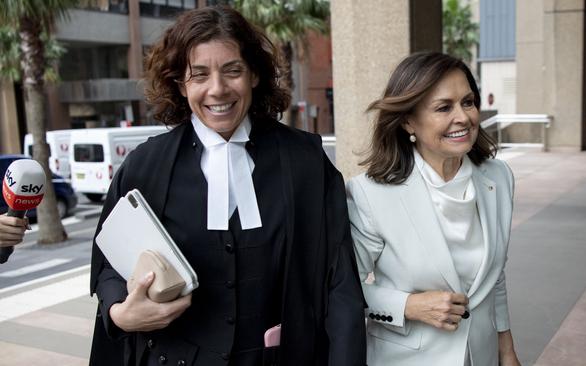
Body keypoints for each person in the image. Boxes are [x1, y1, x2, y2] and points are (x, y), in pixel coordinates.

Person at [89, 5, 366, 366]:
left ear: (253, 74)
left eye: (232, 71)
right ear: (180, 84)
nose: (217, 89)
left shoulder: (306, 163)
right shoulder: (145, 166)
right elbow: (109, 261)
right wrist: (120, 314)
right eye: (199, 75)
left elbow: (340, 285)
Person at [346, 52, 521, 366]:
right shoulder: (370, 193)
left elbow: (494, 278)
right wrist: (408, 306)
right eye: (444, 107)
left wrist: (507, 353)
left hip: (480, 356)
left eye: (468, 102)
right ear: (409, 120)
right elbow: (343, 290)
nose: (463, 117)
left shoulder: (499, 177)